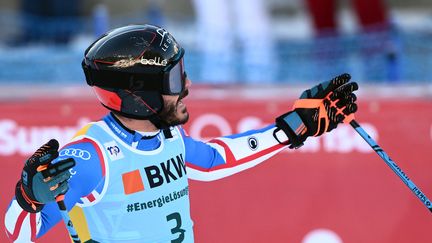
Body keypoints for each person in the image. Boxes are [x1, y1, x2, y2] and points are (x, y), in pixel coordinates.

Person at [5, 24, 358, 242]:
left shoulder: (167, 138)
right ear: (139, 95)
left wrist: (295, 127)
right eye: (175, 79)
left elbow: (217, 159)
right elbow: (19, 232)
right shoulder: (91, 158)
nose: (187, 85)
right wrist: (27, 198)